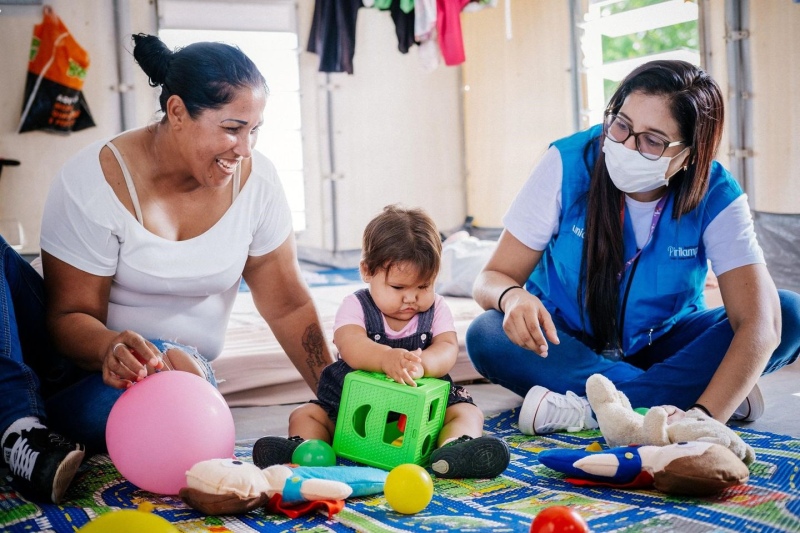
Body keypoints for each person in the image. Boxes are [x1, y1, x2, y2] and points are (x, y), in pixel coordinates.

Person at [0, 34, 334, 503]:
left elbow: (288, 305)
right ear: (177, 112)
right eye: (232, 128)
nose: (245, 149)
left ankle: (30, 428)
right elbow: (64, 318)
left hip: (166, 380)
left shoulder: (258, 185)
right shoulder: (96, 180)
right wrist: (110, 345)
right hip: (57, 357)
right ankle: (21, 430)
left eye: (254, 130)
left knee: (171, 367)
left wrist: (335, 394)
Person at [466, 60, 800, 438]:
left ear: (689, 154)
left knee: (786, 313)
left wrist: (705, 421)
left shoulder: (717, 195)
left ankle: (589, 411)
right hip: (566, 341)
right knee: (487, 334)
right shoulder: (568, 162)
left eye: (652, 140)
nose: (625, 145)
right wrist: (511, 297)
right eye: (621, 124)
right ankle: (687, 398)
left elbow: (761, 322)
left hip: (665, 342)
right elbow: (491, 278)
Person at [252, 205, 510, 479]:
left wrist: (423, 364)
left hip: (420, 412)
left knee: (467, 412)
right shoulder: (356, 306)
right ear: (367, 271)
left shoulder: (437, 309)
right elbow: (350, 344)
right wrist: (385, 358)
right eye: (398, 288)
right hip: (353, 409)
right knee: (305, 415)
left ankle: (454, 450)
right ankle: (306, 450)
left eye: (423, 286)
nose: (411, 298)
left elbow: (447, 348)